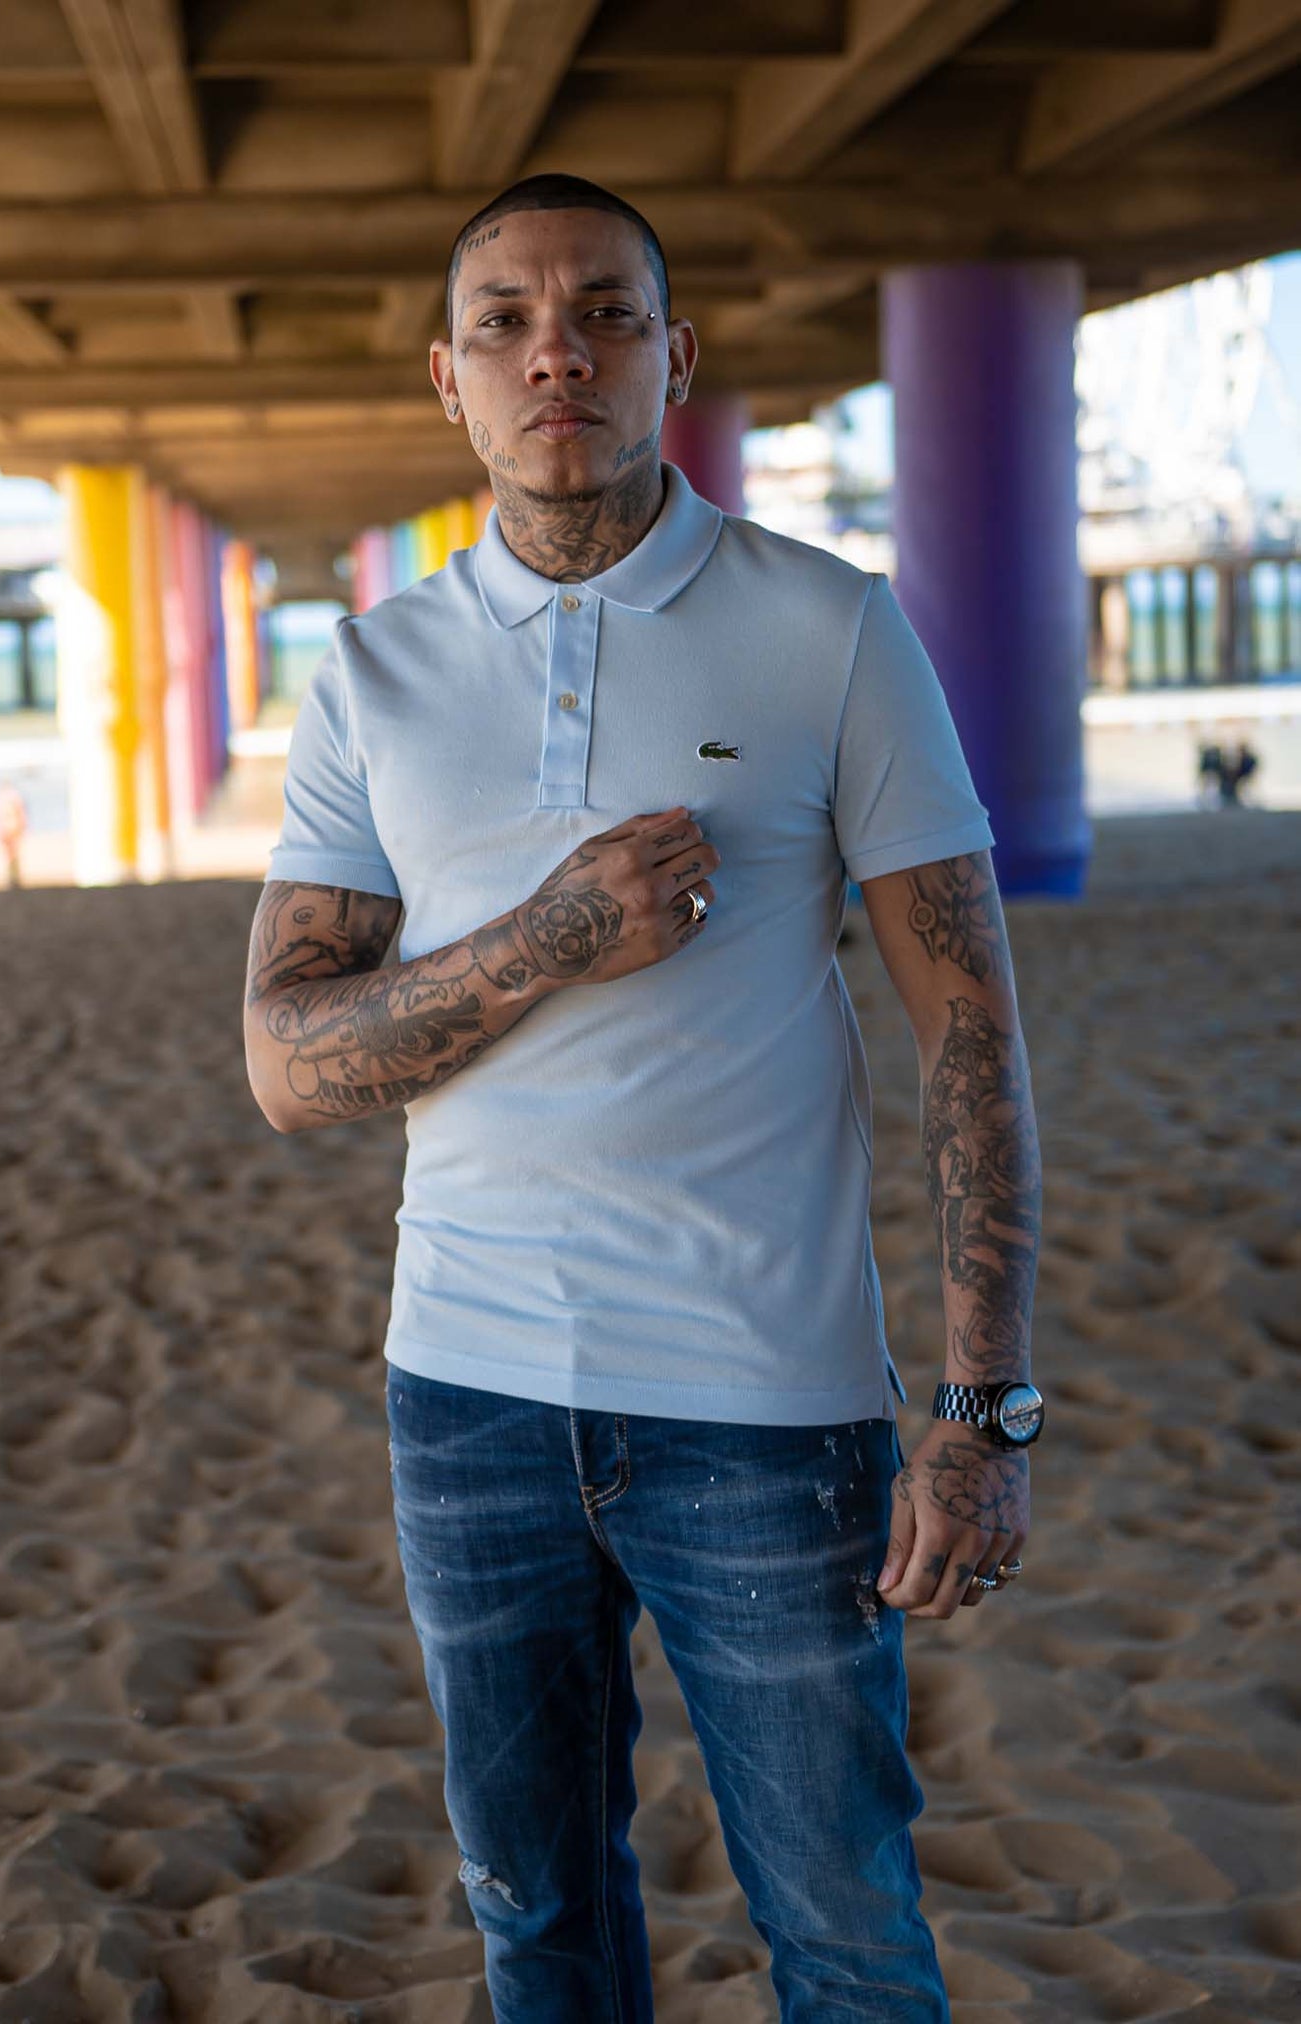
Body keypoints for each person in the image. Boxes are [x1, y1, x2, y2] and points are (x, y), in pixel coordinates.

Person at [244, 174, 1045, 2024]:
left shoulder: (831, 628)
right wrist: (545, 938)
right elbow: (287, 1064)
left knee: (847, 1938)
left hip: (767, 1406)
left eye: (604, 312)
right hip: (465, 1397)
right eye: (507, 321)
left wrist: (984, 1404)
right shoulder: (371, 671)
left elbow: (971, 1033)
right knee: (538, 1927)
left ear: (674, 358)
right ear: (448, 376)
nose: (558, 353)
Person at [0, 781, 28, 887]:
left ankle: (14, 876)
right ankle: (13, 876)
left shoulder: (2, 798)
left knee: (11, 853)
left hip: (9, 828)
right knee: (11, 853)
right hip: (11, 827)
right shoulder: (13, 797)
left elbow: (19, 813)